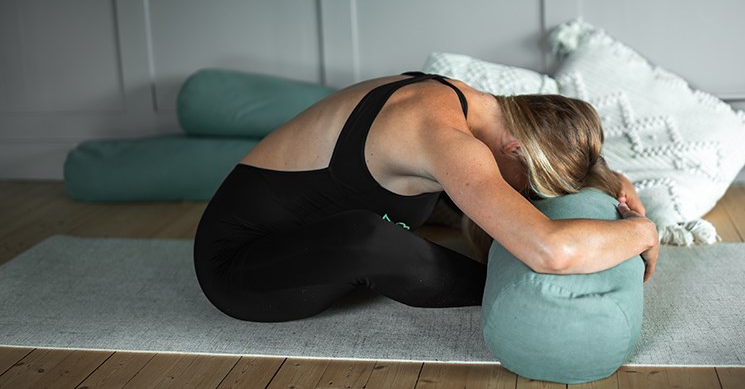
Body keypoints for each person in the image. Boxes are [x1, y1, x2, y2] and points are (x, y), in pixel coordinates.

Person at [193, 72, 659, 322]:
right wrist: (641, 230)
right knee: (369, 237)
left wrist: (610, 178)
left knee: (382, 224)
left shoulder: (465, 101)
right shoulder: (444, 137)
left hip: (310, 238)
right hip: (244, 268)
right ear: (516, 149)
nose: (527, 196)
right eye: (532, 185)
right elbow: (550, 250)